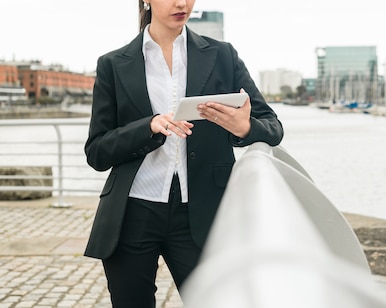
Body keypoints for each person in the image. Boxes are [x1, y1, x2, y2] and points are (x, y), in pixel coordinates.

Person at [83, 0, 284, 306]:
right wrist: (148, 127)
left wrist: (243, 127)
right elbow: (97, 151)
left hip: (204, 211)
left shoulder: (222, 55)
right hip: (132, 213)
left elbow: (272, 126)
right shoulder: (113, 63)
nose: (182, 3)